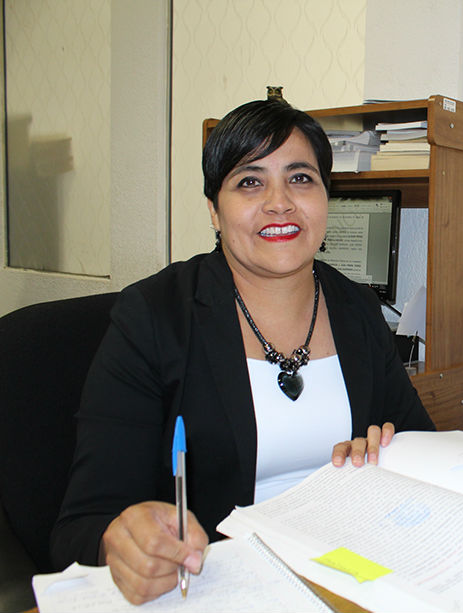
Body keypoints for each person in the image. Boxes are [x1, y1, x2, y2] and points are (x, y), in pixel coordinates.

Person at [50, 99, 435, 604]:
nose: (280, 202)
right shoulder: (154, 317)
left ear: (326, 197)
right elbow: (82, 525)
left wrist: (387, 457)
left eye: (301, 178)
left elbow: (424, 447)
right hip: (219, 588)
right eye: (250, 182)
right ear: (214, 209)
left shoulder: (357, 309)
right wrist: (123, 542)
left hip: (342, 576)